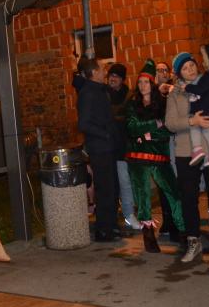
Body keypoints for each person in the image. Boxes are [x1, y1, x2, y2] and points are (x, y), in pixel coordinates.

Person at [166, 53, 209, 268]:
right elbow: (170, 123)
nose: (190, 70)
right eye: (185, 68)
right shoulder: (175, 94)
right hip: (187, 151)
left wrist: (208, 121)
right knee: (188, 197)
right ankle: (193, 241)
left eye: (192, 65)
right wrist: (192, 121)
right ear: (179, 73)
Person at [125, 59, 183, 252]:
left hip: (160, 158)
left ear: (152, 83)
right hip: (138, 158)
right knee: (142, 198)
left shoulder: (162, 104)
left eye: (146, 82)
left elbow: (168, 128)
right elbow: (132, 128)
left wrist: (146, 135)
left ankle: (184, 232)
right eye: (140, 82)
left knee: (174, 193)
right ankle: (149, 238)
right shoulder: (133, 105)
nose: (143, 86)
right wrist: (153, 125)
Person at [76, 57, 120, 241]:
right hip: (99, 148)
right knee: (104, 189)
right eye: (102, 68)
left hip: (108, 148)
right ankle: (103, 230)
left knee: (112, 188)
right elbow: (83, 124)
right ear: (94, 72)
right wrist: (105, 134)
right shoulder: (87, 93)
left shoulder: (100, 90)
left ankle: (111, 225)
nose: (105, 71)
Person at [107, 63, 138, 230]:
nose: (113, 78)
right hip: (106, 147)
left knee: (126, 182)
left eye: (116, 76)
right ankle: (111, 217)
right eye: (111, 75)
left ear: (123, 79)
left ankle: (129, 215)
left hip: (123, 146)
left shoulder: (129, 96)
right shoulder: (103, 94)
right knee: (109, 184)